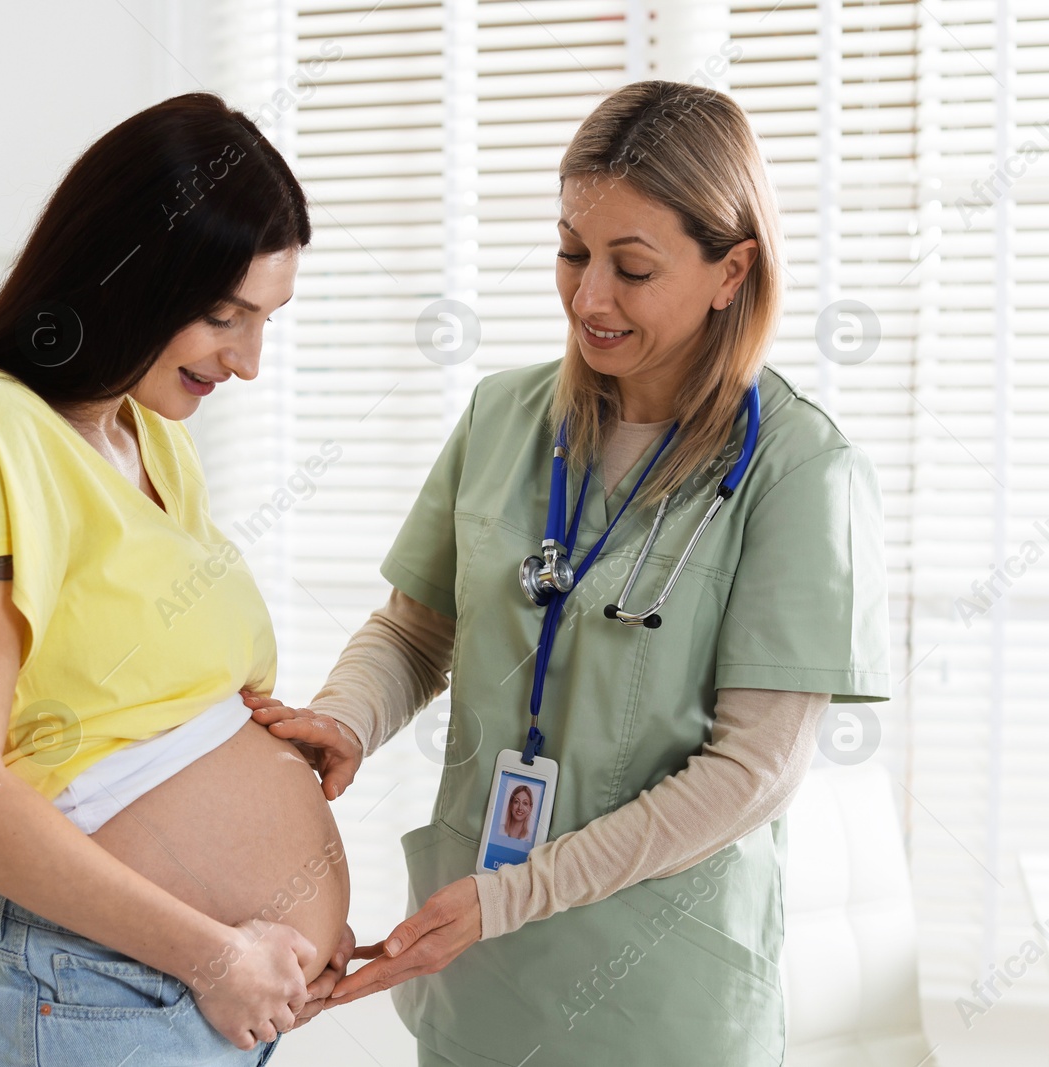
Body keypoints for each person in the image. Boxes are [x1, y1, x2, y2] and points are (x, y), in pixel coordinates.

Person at [248, 80, 891, 1065]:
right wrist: (346, 716)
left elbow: (752, 770)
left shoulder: (800, 470)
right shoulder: (502, 418)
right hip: (479, 967)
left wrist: (512, 893)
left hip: (664, 986)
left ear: (732, 270)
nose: (589, 297)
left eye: (632, 268)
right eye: (571, 252)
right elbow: (418, 627)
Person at [0, 92, 353, 1066]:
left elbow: (136, 690)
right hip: (75, 987)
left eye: (265, 321)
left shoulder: (149, 433)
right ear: (128, 273)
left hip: (178, 996)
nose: (247, 361)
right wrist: (214, 950)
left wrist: (267, 741)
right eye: (221, 316)